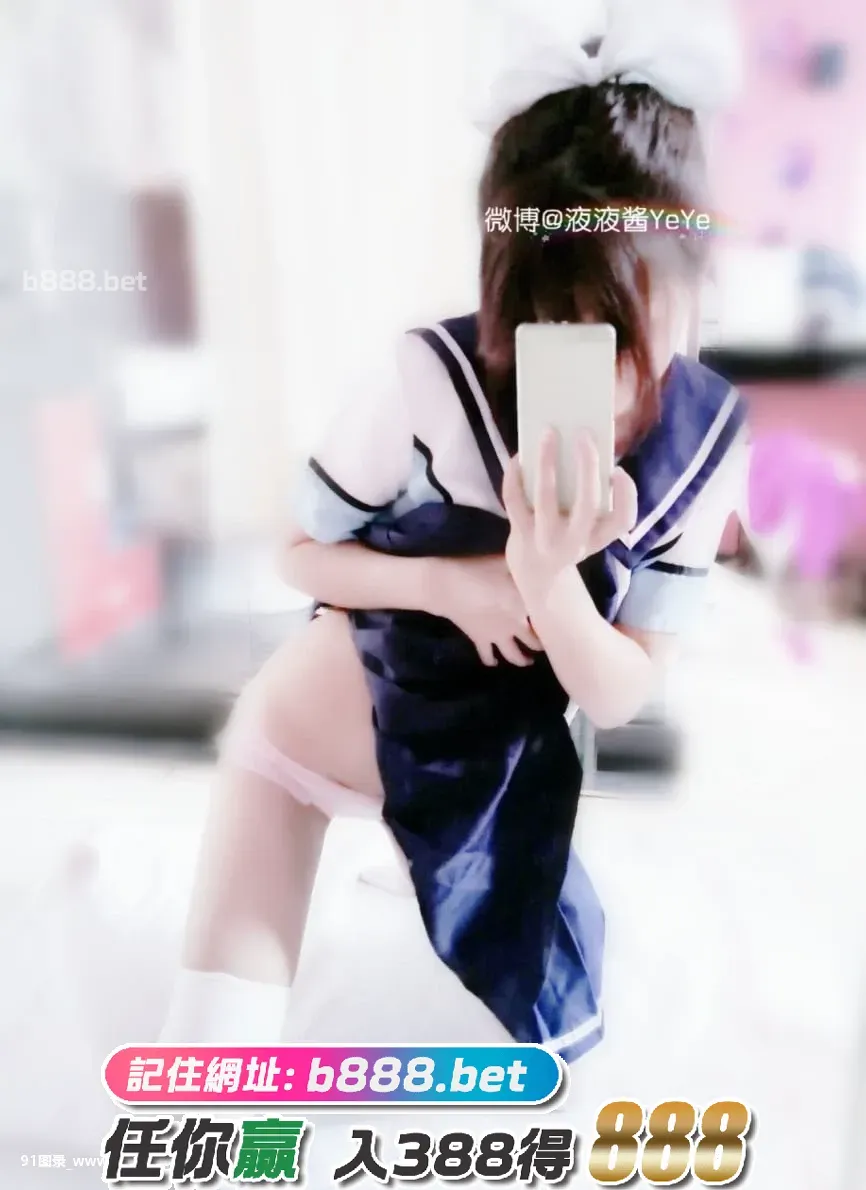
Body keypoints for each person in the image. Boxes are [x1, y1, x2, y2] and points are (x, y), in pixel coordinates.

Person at [160, 0, 747, 1058]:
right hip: (298, 743)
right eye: (547, 309)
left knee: (550, 1059)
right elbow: (297, 553)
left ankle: (410, 861)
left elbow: (620, 690)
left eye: (622, 313)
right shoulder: (430, 376)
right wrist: (449, 585)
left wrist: (544, 578)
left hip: (489, 795)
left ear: (694, 278)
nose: (584, 345)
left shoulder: (704, 440)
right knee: (208, 1064)